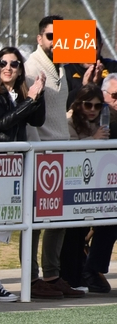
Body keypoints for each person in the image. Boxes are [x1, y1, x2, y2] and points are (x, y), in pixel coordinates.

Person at [0, 47, 46, 302]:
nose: (8, 67)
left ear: (20, 69)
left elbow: (37, 121)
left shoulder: (22, 92)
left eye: (14, 64)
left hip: (15, 165)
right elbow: (1, 123)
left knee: (2, 223)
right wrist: (29, 101)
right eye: (3, 63)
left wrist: (39, 93)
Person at [24, 15, 85, 300]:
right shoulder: (30, 67)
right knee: (35, 220)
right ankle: (32, 278)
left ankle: (51, 274)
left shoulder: (63, 66)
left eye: (61, 36)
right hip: (41, 152)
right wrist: (35, 151)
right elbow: (28, 116)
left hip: (62, 152)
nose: (56, 41)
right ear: (39, 38)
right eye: (51, 36)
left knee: (58, 218)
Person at [58, 85, 108, 290]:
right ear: (79, 104)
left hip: (89, 186)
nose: (92, 109)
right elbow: (68, 147)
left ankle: (77, 278)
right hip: (69, 184)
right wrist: (93, 139)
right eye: (88, 104)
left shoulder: (98, 124)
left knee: (80, 234)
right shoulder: (69, 121)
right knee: (70, 235)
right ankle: (67, 278)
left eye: (97, 106)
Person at [82, 74, 117, 293]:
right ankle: (88, 269)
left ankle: (92, 267)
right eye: (114, 95)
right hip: (82, 183)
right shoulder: (82, 116)